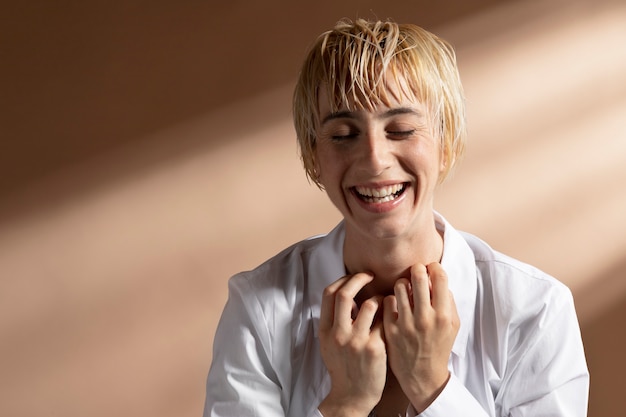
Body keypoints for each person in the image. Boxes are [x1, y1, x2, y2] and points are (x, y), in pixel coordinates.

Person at [203, 18, 589, 417]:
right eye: (342, 134)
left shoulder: (535, 310)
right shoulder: (259, 309)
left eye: (402, 129)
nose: (374, 158)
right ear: (313, 158)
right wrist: (345, 405)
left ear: (447, 143)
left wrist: (431, 385)